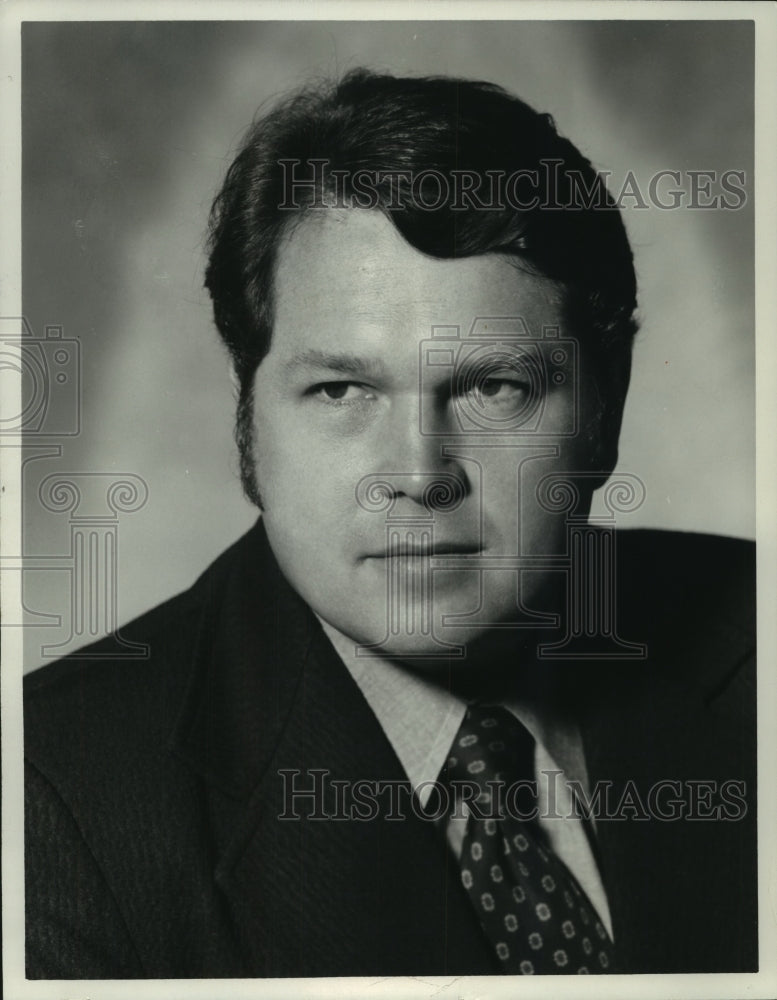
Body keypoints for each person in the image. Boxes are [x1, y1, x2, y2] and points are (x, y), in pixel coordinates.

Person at [24, 69, 756, 979]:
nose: (417, 477)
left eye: (493, 387)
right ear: (247, 414)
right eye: (341, 390)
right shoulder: (49, 801)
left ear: (605, 405)